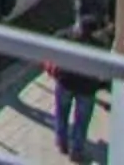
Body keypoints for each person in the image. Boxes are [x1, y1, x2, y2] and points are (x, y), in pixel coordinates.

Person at [48, 28, 108, 159]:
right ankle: (76, 151)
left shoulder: (68, 37)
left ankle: (62, 142)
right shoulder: (99, 46)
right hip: (87, 89)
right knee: (81, 122)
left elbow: (51, 45)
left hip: (65, 82)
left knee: (61, 114)